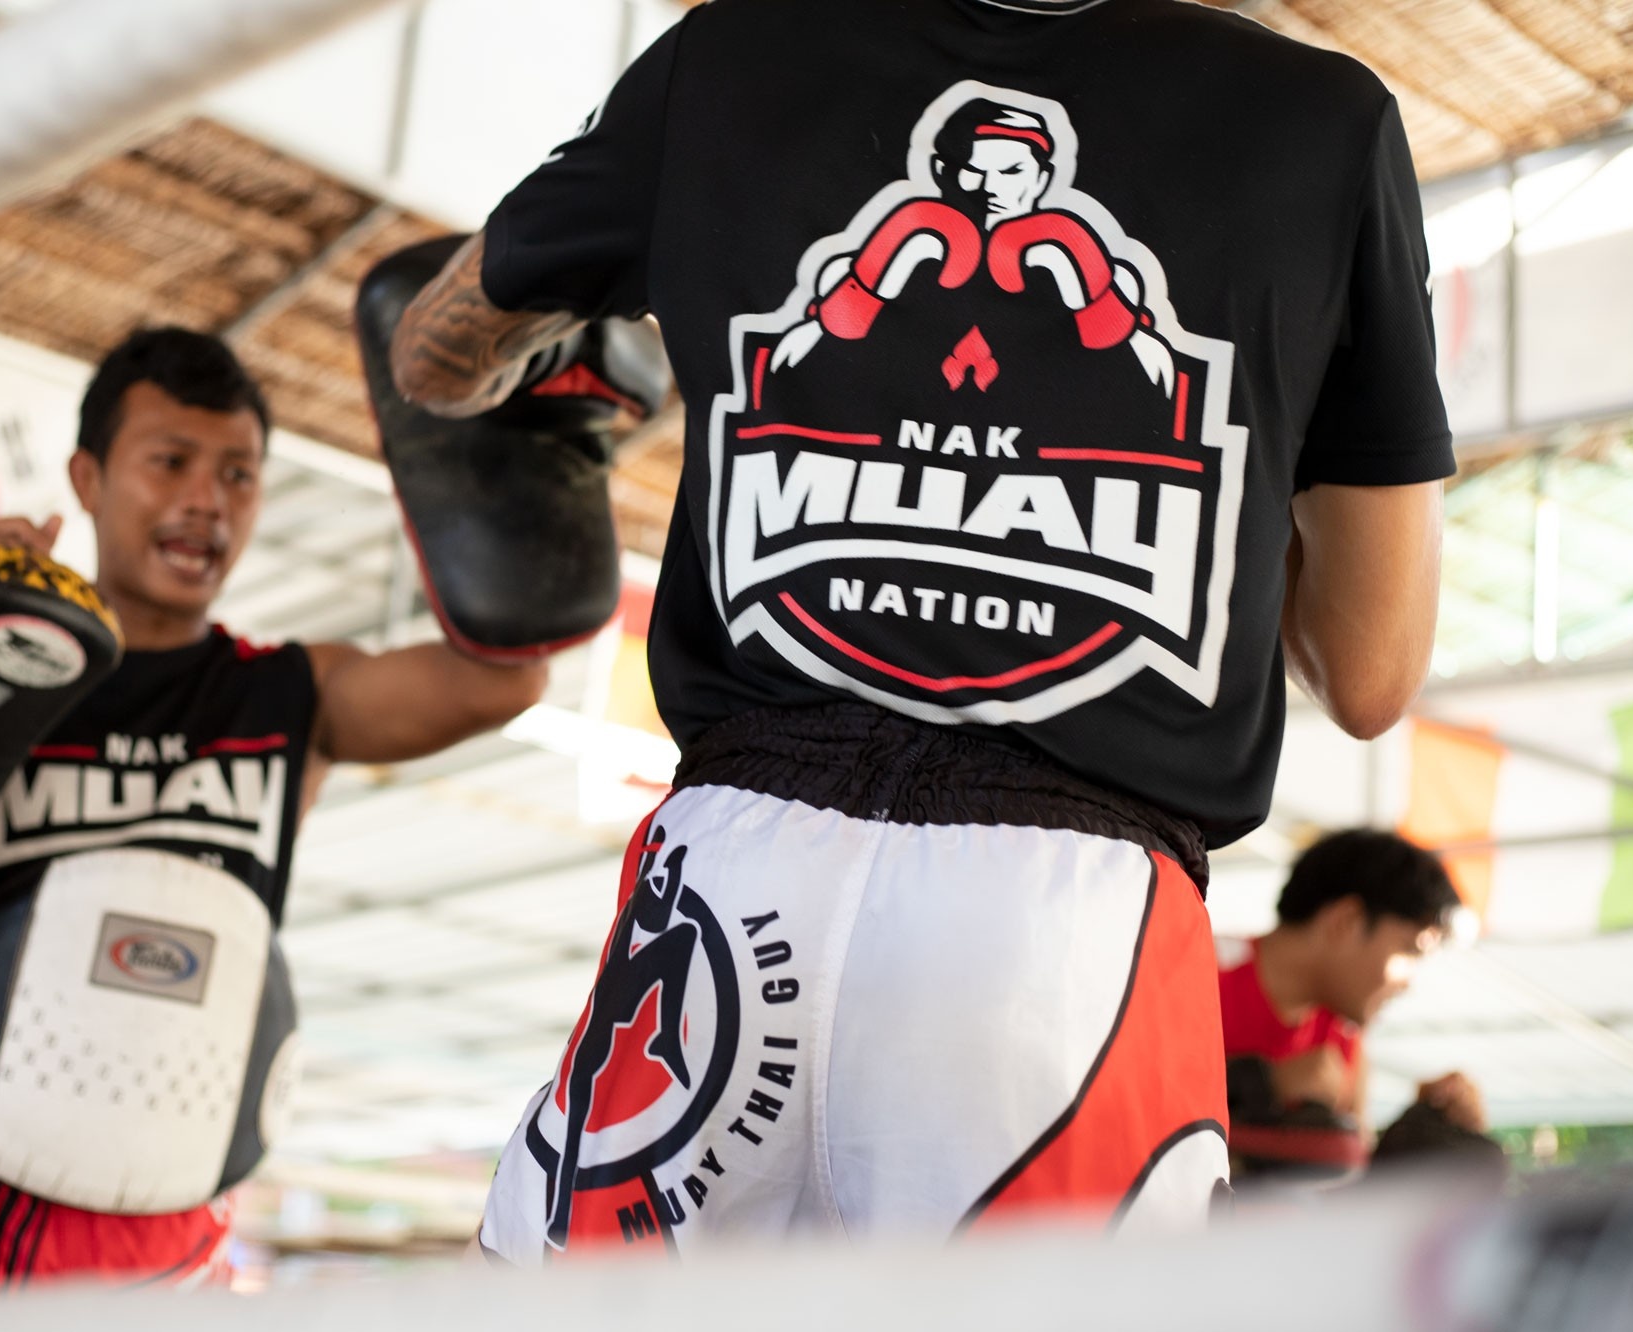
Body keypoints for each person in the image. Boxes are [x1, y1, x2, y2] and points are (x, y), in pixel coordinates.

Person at [385, 0, 1453, 1261]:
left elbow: (430, 353)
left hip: (730, 888)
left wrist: (572, 376)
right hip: (1067, 938)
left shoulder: (726, 58)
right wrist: (1233, 471)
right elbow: (1369, 671)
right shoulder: (1321, 121)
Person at [0, 328, 547, 1285]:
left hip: (170, 1233)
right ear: (87, 478)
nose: (207, 499)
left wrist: (523, 451)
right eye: (170, 462)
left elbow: (506, 680)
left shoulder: (290, 693)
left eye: (238, 474)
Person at [1218, 829, 1485, 1182]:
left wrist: (1420, 1124)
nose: (1408, 983)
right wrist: (1263, 1082)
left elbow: (1348, 1181)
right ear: (1346, 921)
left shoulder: (1344, 1037)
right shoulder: (1202, 967)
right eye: (1409, 950)